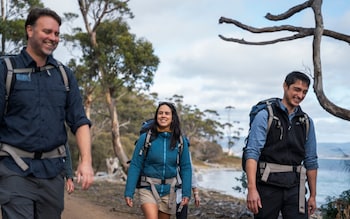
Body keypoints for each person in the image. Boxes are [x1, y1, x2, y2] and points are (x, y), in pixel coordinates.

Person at [0, 7, 94, 219]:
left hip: (52, 173)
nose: (53, 38)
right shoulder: (7, 70)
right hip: (13, 169)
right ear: (30, 30)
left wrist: (85, 161)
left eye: (57, 34)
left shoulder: (64, 75)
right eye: (47, 32)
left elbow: (79, 121)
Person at [244, 71, 318, 219]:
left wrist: (313, 196)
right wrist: (252, 189)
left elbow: (311, 161)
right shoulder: (265, 115)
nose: (300, 95)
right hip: (267, 186)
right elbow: (252, 153)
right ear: (285, 86)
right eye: (297, 89)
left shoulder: (307, 122)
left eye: (304, 92)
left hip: (295, 188)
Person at [124, 102, 192, 219]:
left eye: (167, 113)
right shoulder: (145, 138)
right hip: (148, 187)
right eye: (160, 113)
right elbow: (135, 165)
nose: (163, 116)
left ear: (172, 117)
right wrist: (129, 192)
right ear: (156, 116)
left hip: (169, 190)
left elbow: (185, 167)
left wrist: (186, 192)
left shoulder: (180, 140)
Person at [176, 155, 200, 219]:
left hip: (181, 194)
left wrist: (196, 194)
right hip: (163, 192)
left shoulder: (183, 147)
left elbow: (190, 172)